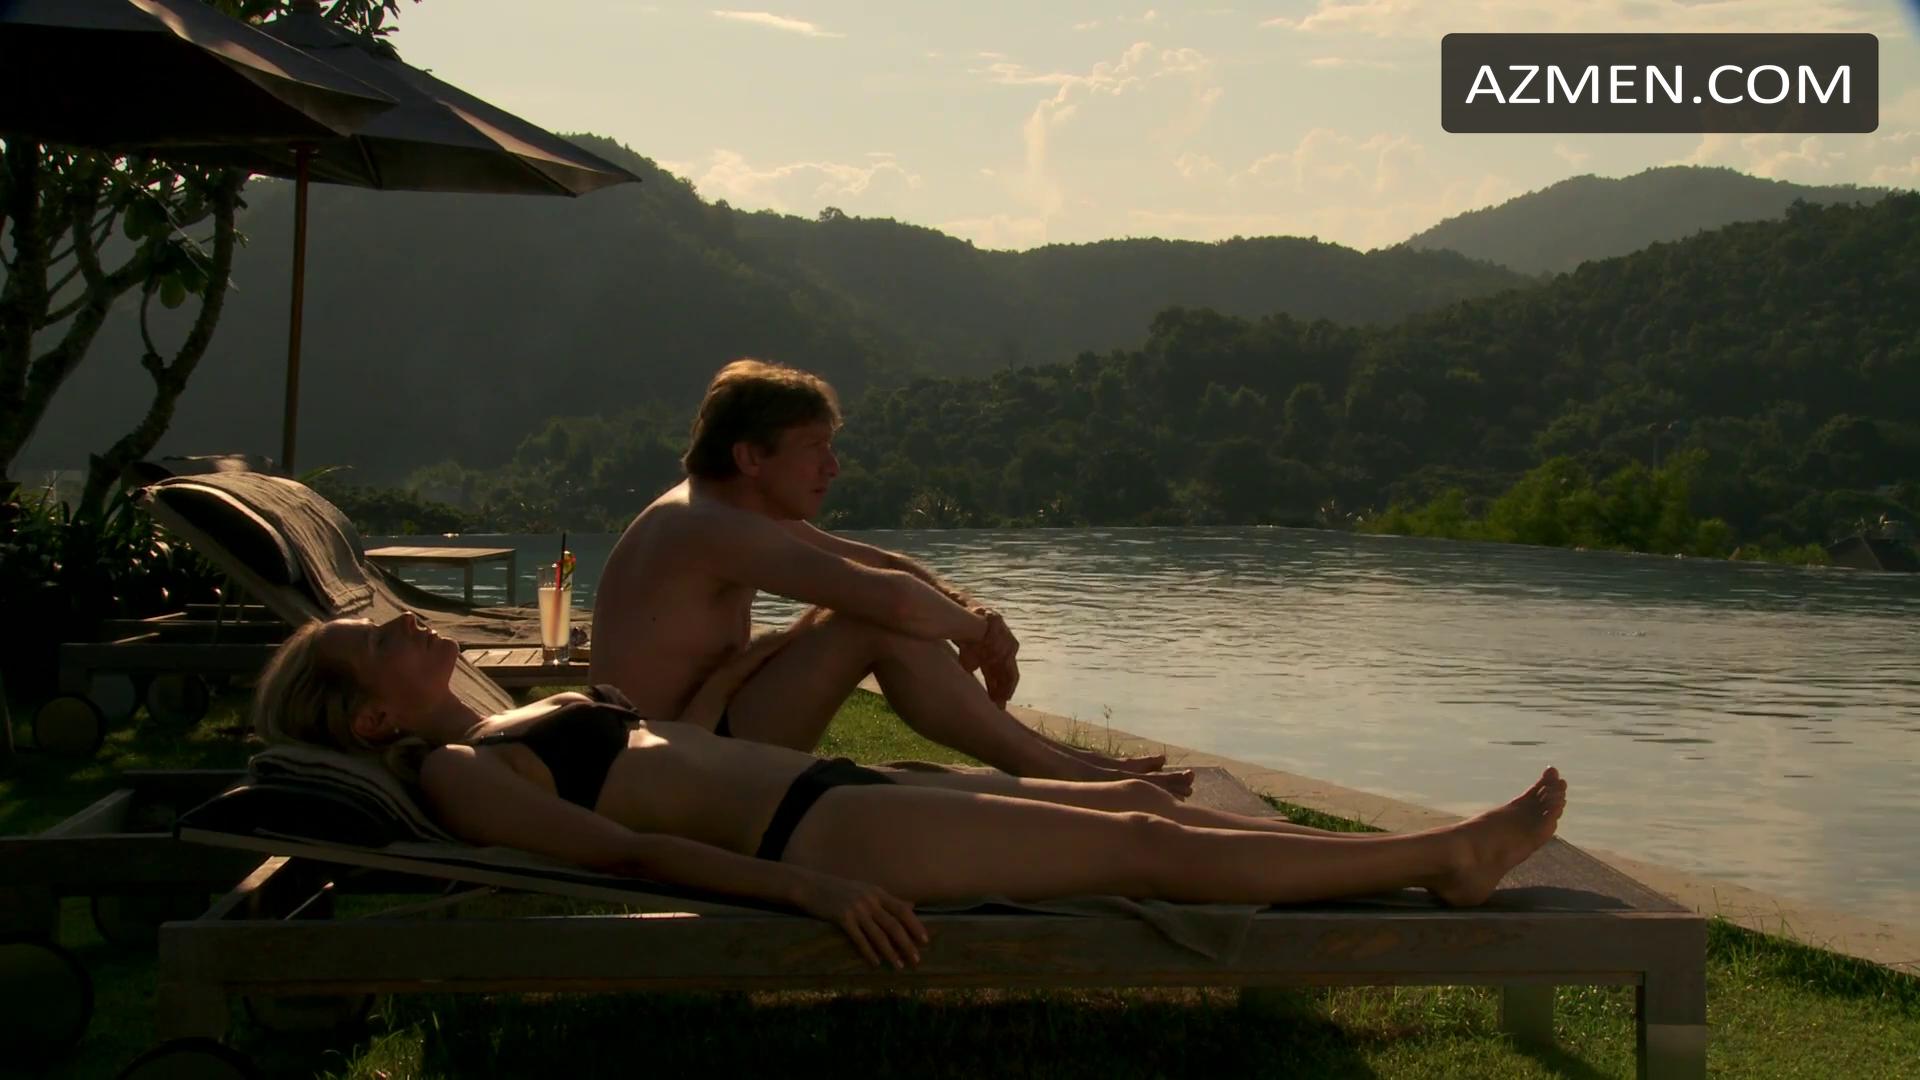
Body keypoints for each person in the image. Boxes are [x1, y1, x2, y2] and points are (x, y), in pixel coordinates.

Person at [256, 612, 1570, 969]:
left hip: (832, 790)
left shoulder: (496, 721)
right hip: (820, 834)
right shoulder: (459, 772)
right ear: (374, 716)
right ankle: (1443, 858)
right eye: (382, 641)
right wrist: (809, 894)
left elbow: (662, 757)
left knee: (1150, 816)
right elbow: (621, 857)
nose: (405, 625)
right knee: (1144, 843)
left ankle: (1409, 860)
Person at [592, 358, 1192, 796]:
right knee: (871, 620)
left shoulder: (727, 511)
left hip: (695, 737)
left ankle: (1074, 766)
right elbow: (893, 602)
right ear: (750, 457)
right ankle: (1071, 777)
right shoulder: (707, 525)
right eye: (814, 447)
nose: (833, 467)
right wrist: (978, 632)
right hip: (657, 772)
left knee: (876, 617)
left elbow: (879, 564)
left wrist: (970, 609)